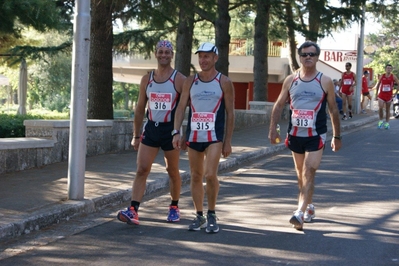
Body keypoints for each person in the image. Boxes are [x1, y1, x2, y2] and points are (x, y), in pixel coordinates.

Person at [268, 41, 342, 230]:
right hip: (295, 134)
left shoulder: (324, 81)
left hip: (316, 134)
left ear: (317, 57)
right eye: (304, 54)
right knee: (301, 175)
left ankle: (299, 212)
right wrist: (272, 129)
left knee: (309, 170)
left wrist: (337, 136)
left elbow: (333, 110)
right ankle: (308, 206)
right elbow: (278, 105)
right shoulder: (291, 80)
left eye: (312, 54)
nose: (308, 57)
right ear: (300, 57)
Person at [117, 40, 186, 225]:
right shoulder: (147, 79)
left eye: (167, 52)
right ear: (155, 54)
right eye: (160, 52)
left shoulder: (179, 79)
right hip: (151, 128)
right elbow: (140, 108)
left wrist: (180, 132)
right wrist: (136, 135)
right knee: (142, 169)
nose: (164, 55)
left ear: (172, 55)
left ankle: (174, 206)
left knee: (172, 170)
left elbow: (185, 108)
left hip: (170, 130)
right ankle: (133, 210)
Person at [172, 42, 235, 234]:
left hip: (214, 136)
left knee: (210, 174)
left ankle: (212, 214)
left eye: (207, 56)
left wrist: (228, 141)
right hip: (194, 135)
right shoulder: (191, 81)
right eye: (200, 56)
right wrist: (177, 132)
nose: (203, 60)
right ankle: (199, 215)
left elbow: (230, 113)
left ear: (215, 58)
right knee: (196, 175)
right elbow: (181, 108)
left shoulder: (223, 81)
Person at [373, 64, 399, 129]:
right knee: (380, 108)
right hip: (381, 95)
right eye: (388, 68)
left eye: (390, 68)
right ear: (385, 69)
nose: (389, 69)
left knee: (387, 110)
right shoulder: (382, 75)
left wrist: (395, 93)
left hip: (389, 95)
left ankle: (387, 123)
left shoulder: (393, 76)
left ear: (391, 69)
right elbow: (378, 84)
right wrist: (376, 94)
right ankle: (381, 121)